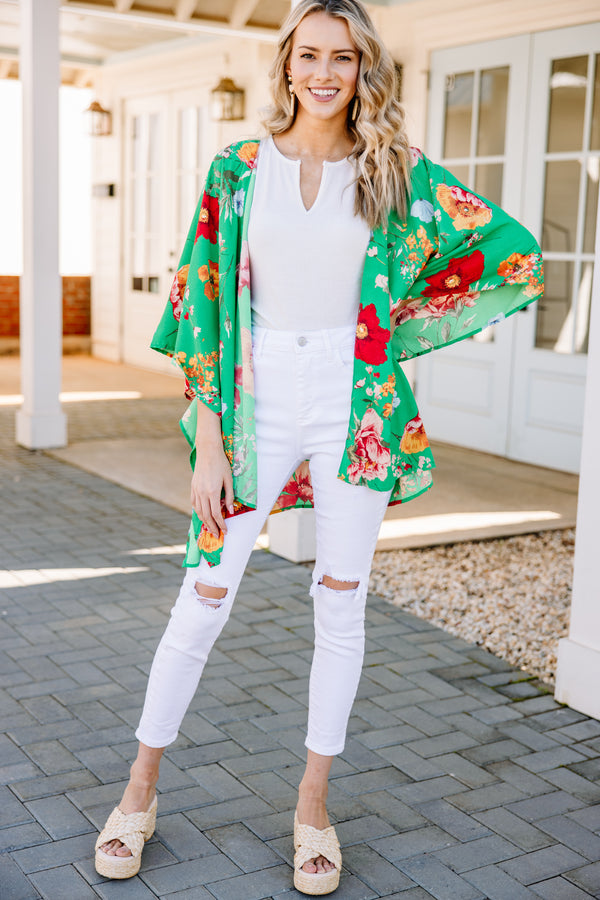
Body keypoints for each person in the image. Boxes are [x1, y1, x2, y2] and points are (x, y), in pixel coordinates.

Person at [94, 0, 543, 894]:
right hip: (257, 402)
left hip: (355, 404)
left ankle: (311, 806)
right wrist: (208, 442)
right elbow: (198, 301)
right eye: (310, 55)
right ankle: (137, 793)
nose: (326, 72)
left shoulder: (393, 170)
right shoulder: (237, 169)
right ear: (287, 65)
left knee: (341, 605)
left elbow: (505, 249)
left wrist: (395, 333)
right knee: (203, 598)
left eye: (344, 57)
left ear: (363, 66)